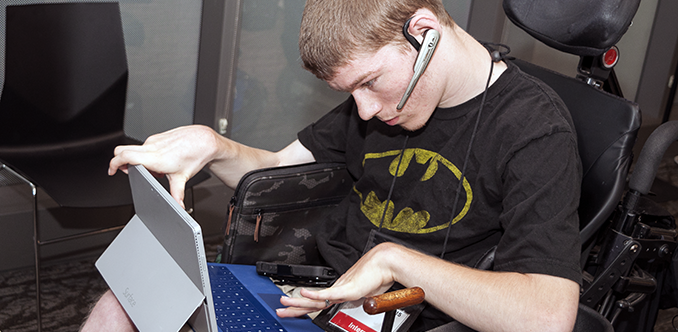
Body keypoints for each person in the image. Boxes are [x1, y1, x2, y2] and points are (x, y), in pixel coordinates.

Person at [81, 0, 583, 331]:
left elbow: (549, 315)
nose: (363, 111)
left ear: (424, 32)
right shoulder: (387, 99)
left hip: (401, 315)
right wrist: (216, 147)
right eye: (351, 93)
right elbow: (279, 169)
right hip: (311, 286)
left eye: (369, 83)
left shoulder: (533, 129)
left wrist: (396, 260)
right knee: (123, 301)